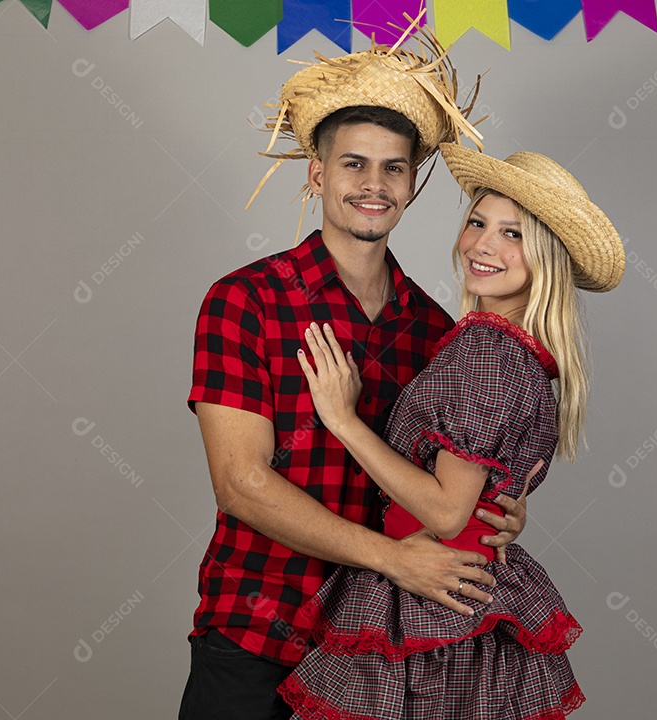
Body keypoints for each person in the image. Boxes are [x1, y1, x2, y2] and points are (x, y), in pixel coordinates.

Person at [178, 30, 528, 720]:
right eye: (354, 165)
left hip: (377, 652)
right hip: (256, 626)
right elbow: (243, 483)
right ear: (317, 173)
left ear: (412, 184)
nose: (374, 186)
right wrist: (395, 560)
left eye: (393, 169)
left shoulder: (438, 334)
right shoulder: (246, 299)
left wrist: (495, 511)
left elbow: (439, 488)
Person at [278, 142, 625, 720]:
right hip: (466, 595)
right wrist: (498, 510)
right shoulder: (523, 353)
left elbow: (445, 514)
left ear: (547, 256)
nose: (483, 245)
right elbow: (479, 495)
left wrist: (343, 420)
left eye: (513, 234)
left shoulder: (486, 350)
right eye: (477, 223)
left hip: (430, 599)